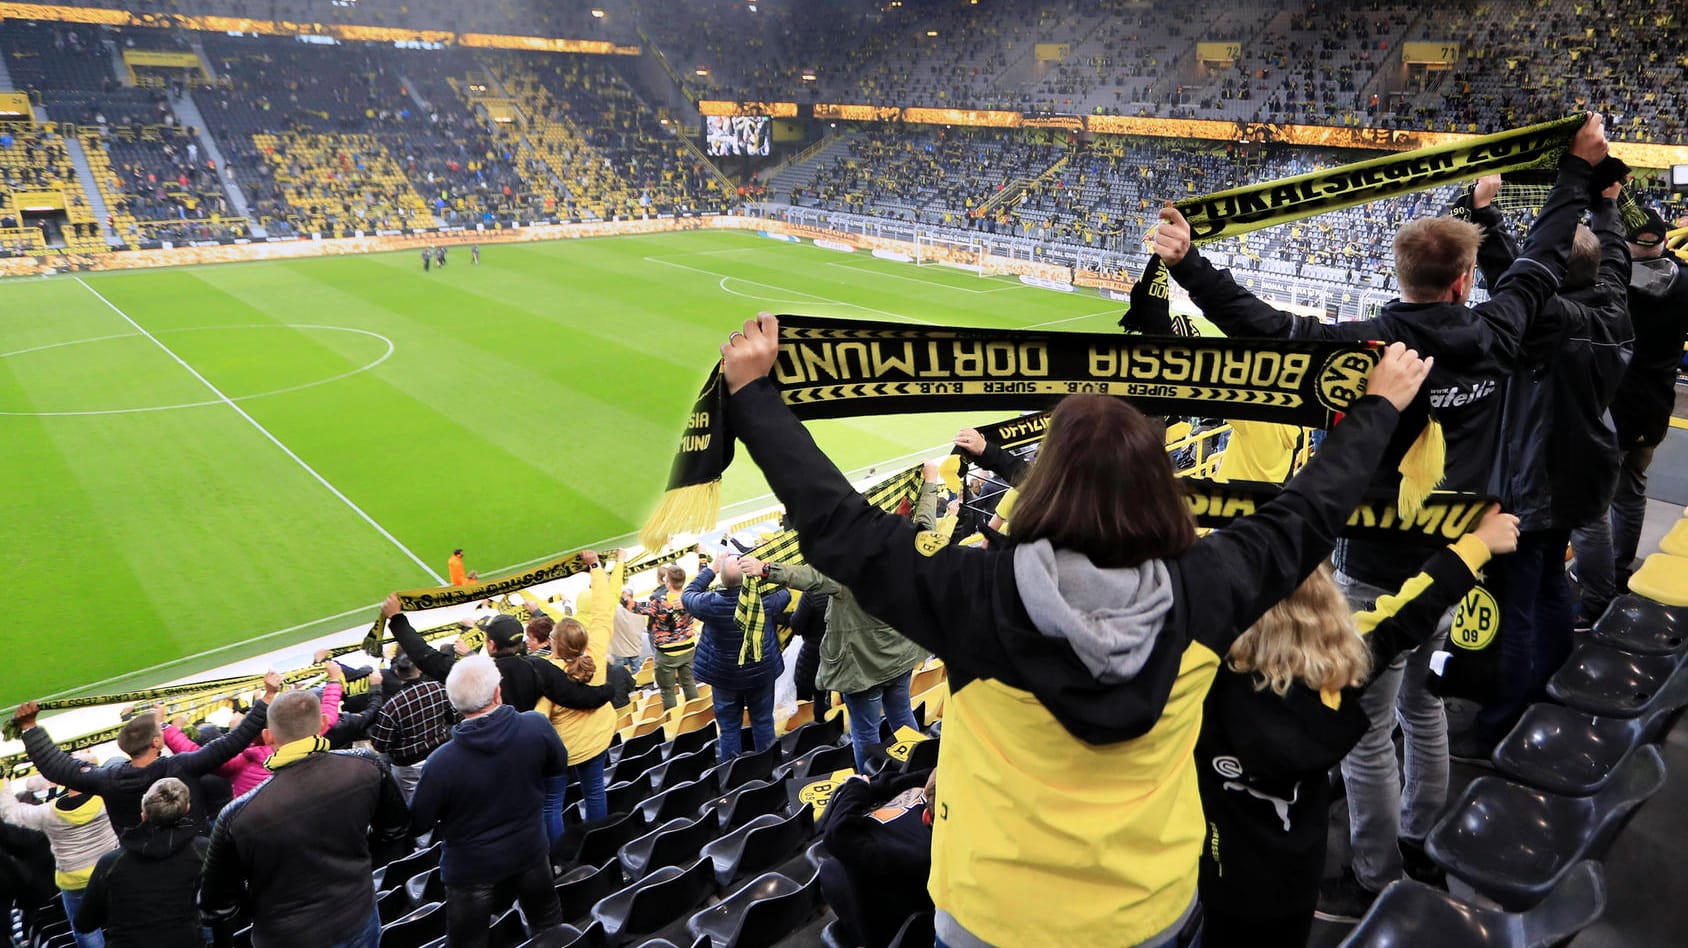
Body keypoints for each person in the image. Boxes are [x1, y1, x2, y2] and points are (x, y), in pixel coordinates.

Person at [716, 313, 1431, 946]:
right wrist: (1380, 406)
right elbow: (1309, 512)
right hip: (1146, 908)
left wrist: (754, 397)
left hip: (991, 914)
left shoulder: (973, 594)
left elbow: (842, 528)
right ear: (1160, 488)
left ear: (1046, 483)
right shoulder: (1210, 587)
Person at [1152, 113, 1608, 919]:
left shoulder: (1369, 348)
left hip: (1372, 564)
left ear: (1401, 278)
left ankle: (1370, 870)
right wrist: (1573, 177)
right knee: (1423, 701)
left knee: (1364, 722)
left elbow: (1262, 329)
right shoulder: (1496, 330)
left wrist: (1191, 266)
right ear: (1467, 279)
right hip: (1461, 554)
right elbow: (1539, 262)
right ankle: (1425, 837)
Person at [1196, 507, 1520, 947]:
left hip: (1217, 877)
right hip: (1297, 881)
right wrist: (1476, 544)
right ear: (1324, 605)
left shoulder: (1196, 680)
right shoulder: (1336, 671)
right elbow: (1405, 612)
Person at [1453, 175, 1633, 756]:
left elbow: (1517, 283)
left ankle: (1502, 720)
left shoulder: (1546, 322)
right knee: (1553, 584)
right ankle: (1554, 685)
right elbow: (1609, 264)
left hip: (1535, 479)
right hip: (1583, 474)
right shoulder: (1611, 308)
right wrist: (1606, 209)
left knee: (1518, 604)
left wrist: (1487, 216)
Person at [749, 461, 943, 770]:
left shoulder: (850, 571)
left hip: (863, 669)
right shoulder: (913, 551)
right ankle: (917, 770)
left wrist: (764, 569)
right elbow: (926, 523)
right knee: (901, 714)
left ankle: (869, 786)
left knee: (865, 731)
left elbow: (809, 577)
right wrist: (931, 480)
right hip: (901, 657)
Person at [199, 690, 411, 948]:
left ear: (269, 737)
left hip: (300, 933)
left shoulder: (238, 816)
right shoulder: (366, 767)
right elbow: (394, 831)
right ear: (323, 723)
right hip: (357, 916)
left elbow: (217, 907)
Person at [409, 655, 569, 948]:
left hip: (476, 869)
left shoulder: (441, 763)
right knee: (547, 925)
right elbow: (558, 767)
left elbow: (418, 821)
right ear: (498, 692)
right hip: (529, 851)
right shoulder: (535, 726)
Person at [13, 673, 279, 836]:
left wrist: (29, 728)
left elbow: (57, 767)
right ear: (156, 742)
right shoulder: (183, 766)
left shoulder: (107, 779)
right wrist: (267, 697)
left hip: (140, 857)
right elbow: (232, 742)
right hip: (194, 854)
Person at [1601, 205, 1688, 593]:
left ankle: (1595, 579)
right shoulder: (1685, 282)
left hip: (1611, 407)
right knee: (1633, 488)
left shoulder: (1611, 282)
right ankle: (1620, 569)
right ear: (1665, 241)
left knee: (1594, 498)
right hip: (1655, 407)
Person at [383, 595, 615, 714]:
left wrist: (397, 619)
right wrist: (610, 684)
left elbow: (427, 658)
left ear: (491, 645)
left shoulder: (477, 672)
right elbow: (579, 696)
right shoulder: (539, 667)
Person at [159, 665, 346, 798]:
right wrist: (334, 679)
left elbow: (196, 755)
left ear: (268, 735)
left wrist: (164, 727)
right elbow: (329, 712)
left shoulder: (241, 763)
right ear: (320, 725)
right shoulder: (315, 740)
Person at [537, 550, 621, 835]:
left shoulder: (547, 673)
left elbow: (538, 720)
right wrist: (596, 567)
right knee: (595, 792)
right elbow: (603, 608)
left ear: (555, 644)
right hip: (598, 738)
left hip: (565, 751)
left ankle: (560, 857)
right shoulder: (595, 649)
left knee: (552, 804)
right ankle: (598, 842)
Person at [684, 552, 792, 762]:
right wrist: (761, 571)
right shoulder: (765, 599)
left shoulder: (709, 603)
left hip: (725, 678)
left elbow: (688, 593)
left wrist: (711, 569)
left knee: (729, 727)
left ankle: (732, 773)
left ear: (721, 579)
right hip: (761, 672)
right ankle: (768, 767)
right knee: (763, 721)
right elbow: (785, 591)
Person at [73, 778, 207, 948]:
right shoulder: (201, 850)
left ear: (143, 814)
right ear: (187, 809)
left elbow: (84, 922)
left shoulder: (111, 863)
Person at [0, 766, 118, 948]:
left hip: (74, 882)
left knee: (84, 928)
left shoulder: (49, 814)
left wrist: (3, 782)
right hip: (109, 874)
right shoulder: (108, 802)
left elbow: (11, 812)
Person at [819, 768, 937, 948]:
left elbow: (836, 835)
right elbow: (922, 776)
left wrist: (856, 788)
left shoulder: (910, 853)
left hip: (868, 907)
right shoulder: (941, 797)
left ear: (926, 816)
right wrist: (870, 786)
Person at [368, 653, 457, 803]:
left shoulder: (392, 706)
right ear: (419, 670)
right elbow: (452, 718)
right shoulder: (438, 688)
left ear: (397, 673)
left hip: (409, 766)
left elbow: (379, 745)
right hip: (441, 753)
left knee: (415, 804)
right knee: (447, 795)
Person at [622, 564, 700, 711]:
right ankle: (696, 714)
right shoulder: (690, 597)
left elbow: (635, 607)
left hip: (667, 653)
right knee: (689, 683)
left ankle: (671, 718)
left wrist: (624, 595)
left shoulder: (660, 603)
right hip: (688, 648)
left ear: (668, 583)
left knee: (667, 690)